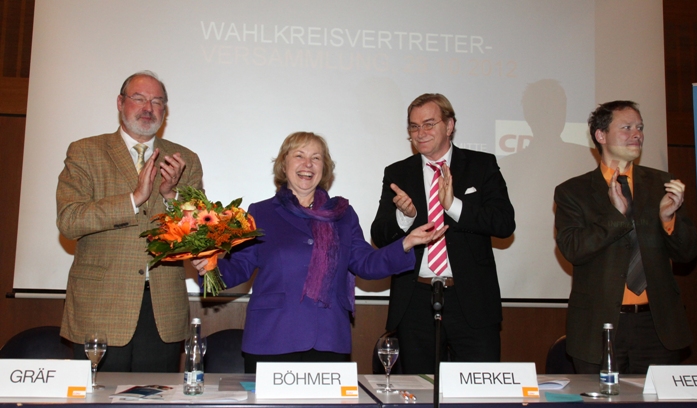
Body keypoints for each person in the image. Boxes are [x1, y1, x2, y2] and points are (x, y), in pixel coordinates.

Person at [191, 131, 445, 373]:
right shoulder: (261, 213)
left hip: (328, 339)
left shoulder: (343, 215)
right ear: (284, 164)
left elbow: (367, 263)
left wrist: (406, 243)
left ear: (324, 168)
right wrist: (210, 267)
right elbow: (240, 266)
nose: (308, 164)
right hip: (272, 338)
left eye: (316, 158)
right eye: (299, 155)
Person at [56, 71, 204, 371]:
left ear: (165, 110)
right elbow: (69, 220)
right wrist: (134, 198)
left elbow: (199, 235)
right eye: (139, 99)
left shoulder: (184, 158)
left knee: (156, 398)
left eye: (157, 101)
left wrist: (170, 195)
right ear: (120, 103)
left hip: (162, 309)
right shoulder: (85, 152)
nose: (148, 108)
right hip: (101, 306)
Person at [370, 93, 516, 374]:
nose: (420, 133)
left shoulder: (481, 165)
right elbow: (380, 235)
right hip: (415, 301)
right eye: (413, 126)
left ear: (449, 126)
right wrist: (405, 216)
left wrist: (455, 207)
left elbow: (504, 223)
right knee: (419, 393)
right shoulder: (398, 172)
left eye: (428, 124)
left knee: (478, 395)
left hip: (471, 300)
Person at [554, 100, 697, 374]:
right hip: (599, 325)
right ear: (601, 135)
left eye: (640, 127)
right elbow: (573, 249)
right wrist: (616, 218)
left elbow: (687, 253)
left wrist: (669, 220)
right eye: (627, 127)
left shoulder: (663, 183)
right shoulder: (574, 191)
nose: (637, 134)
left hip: (657, 326)